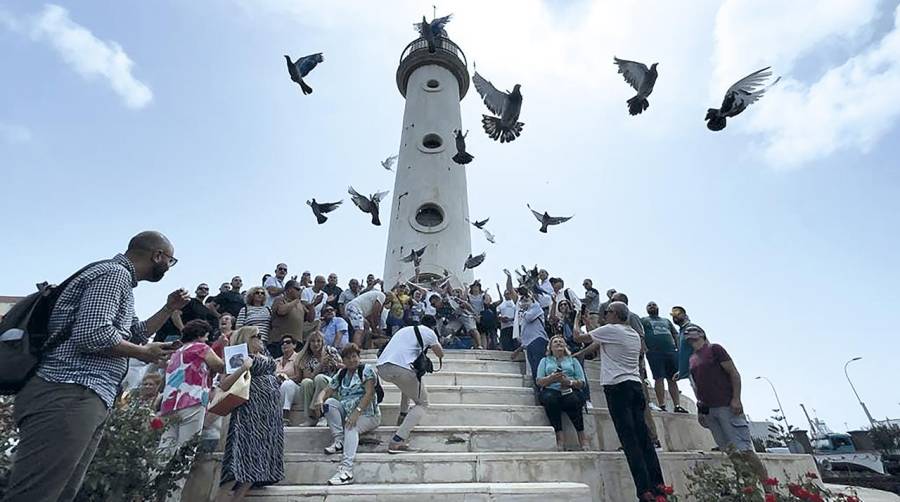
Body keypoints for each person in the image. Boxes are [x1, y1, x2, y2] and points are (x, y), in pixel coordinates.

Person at [3, 231, 188, 502]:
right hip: (68, 391)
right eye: (170, 261)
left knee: (61, 493)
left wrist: (167, 308)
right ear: (157, 256)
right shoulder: (113, 275)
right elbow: (91, 334)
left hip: (82, 395)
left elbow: (134, 333)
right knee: (36, 494)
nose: (168, 268)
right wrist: (143, 353)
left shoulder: (120, 281)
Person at [576, 301, 665, 501]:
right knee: (644, 440)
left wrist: (576, 320)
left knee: (630, 441)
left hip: (617, 388)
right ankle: (659, 487)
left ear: (615, 314)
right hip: (635, 385)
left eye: (606, 312)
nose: (604, 314)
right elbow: (598, 343)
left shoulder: (611, 329)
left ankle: (644, 491)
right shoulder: (632, 333)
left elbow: (577, 336)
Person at [684, 325, 771, 487]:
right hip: (709, 410)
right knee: (731, 452)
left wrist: (736, 398)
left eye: (692, 330)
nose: (688, 333)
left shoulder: (715, 349)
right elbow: (696, 386)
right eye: (686, 332)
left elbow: (733, 373)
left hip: (727, 405)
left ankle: (769, 488)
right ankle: (749, 488)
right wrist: (700, 410)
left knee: (745, 450)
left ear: (701, 333)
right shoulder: (692, 359)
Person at [158, 319, 225, 502]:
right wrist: (224, 349)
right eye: (206, 336)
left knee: (163, 454)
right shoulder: (201, 348)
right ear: (201, 335)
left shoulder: (177, 351)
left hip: (169, 405)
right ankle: (172, 499)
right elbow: (220, 366)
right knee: (184, 456)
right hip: (192, 402)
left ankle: (150, 495)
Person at [216, 326, 284, 502]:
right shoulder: (238, 355)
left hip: (269, 414)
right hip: (249, 413)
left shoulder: (266, 355)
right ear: (247, 338)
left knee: (258, 460)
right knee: (240, 459)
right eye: (256, 336)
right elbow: (224, 385)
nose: (261, 339)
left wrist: (277, 379)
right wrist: (242, 368)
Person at [313, 343, 381, 486]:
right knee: (329, 402)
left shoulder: (366, 370)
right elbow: (327, 390)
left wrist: (357, 413)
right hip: (347, 413)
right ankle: (339, 440)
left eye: (354, 356)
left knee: (351, 427)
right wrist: (320, 399)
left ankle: (346, 471)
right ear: (343, 360)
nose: (352, 360)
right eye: (348, 358)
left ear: (359, 357)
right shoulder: (342, 374)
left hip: (368, 415)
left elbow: (369, 393)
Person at [376, 315, 444, 453]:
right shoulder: (429, 332)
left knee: (407, 386)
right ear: (432, 326)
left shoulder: (405, 330)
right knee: (423, 404)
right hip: (401, 368)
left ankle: (402, 415)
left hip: (382, 367)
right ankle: (398, 440)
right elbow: (440, 353)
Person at [536, 335, 589, 450]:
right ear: (550, 347)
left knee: (573, 400)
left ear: (565, 346)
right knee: (550, 399)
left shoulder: (573, 360)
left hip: (570, 388)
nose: (559, 343)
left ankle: (582, 438)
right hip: (551, 388)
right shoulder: (544, 361)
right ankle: (560, 438)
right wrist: (551, 378)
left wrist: (568, 382)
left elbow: (582, 381)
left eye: (561, 341)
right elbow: (539, 381)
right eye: (555, 342)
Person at [288, 331, 342, 426]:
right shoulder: (307, 358)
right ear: (309, 343)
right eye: (312, 341)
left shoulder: (330, 350)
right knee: (306, 382)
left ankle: (321, 414)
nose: (316, 344)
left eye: (318, 341)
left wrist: (334, 364)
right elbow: (308, 378)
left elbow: (344, 367)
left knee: (320, 378)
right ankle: (310, 418)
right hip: (317, 385)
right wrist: (320, 365)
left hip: (333, 384)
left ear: (322, 342)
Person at [641, 302, 687, 413]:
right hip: (654, 352)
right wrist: (644, 348)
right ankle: (662, 404)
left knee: (673, 379)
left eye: (654, 305)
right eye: (649, 305)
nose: (652, 306)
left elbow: (675, 334)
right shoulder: (644, 320)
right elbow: (640, 333)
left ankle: (677, 405)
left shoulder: (666, 321)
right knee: (659, 377)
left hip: (670, 351)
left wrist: (678, 347)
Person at [510, 288, 549, 390]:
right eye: (522, 300)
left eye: (526, 300)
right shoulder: (523, 315)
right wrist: (518, 350)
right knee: (534, 371)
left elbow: (529, 317)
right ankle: (539, 392)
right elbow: (526, 335)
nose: (523, 302)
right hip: (529, 345)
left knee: (538, 369)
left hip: (538, 341)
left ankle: (543, 390)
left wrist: (523, 309)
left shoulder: (536, 307)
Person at [270, 280, 306, 357]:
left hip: (296, 343)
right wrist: (296, 300)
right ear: (289, 289)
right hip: (280, 342)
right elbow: (281, 311)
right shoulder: (280, 299)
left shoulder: (300, 304)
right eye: (297, 289)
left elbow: (310, 318)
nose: (299, 291)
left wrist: (313, 304)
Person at [235, 286, 272, 351]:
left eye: (262, 293)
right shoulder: (245, 309)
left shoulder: (268, 309)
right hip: (250, 342)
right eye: (257, 293)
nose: (260, 294)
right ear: (252, 295)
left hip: (265, 342)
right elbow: (238, 328)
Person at [275, 334, 301, 422]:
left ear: (294, 345)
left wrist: (285, 379)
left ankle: (285, 414)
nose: (284, 344)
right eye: (282, 343)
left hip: (296, 389)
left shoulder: (299, 358)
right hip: (278, 388)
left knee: (287, 384)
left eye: (288, 342)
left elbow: (299, 377)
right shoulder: (276, 361)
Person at [671, 306, 698, 381]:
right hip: (692, 373)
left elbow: (704, 348)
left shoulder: (691, 328)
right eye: (673, 315)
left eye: (677, 313)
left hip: (700, 370)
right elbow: (684, 354)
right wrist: (681, 371)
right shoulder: (680, 334)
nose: (675, 316)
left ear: (685, 316)